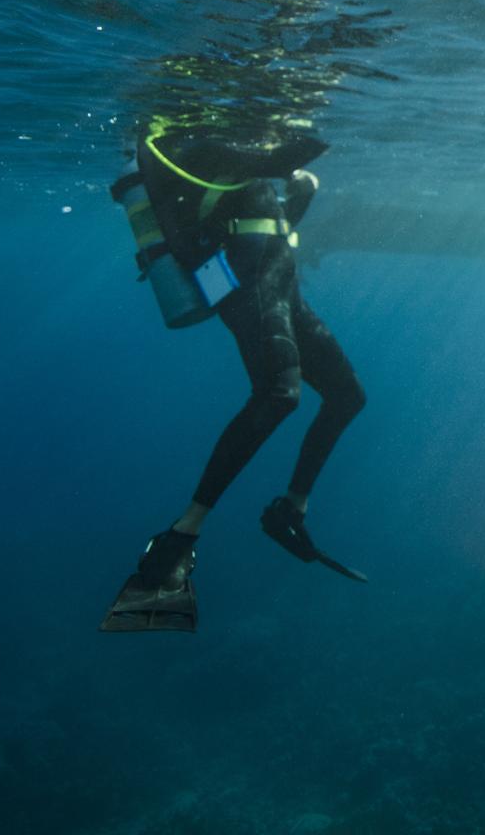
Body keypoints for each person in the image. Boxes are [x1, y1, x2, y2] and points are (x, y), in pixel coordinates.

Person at [102, 122, 368, 633]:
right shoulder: (203, 149)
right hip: (246, 284)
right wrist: (326, 112)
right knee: (279, 394)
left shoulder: (224, 155)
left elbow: (266, 213)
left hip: (277, 280)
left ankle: (291, 509)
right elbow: (291, 154)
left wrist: (298, 195)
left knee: (347, 396)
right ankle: (182, 533)